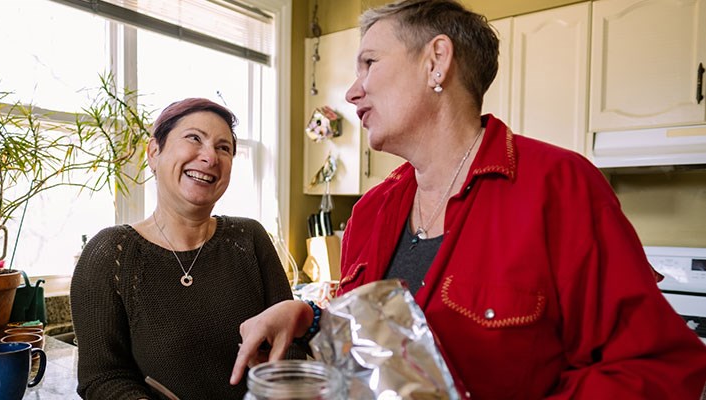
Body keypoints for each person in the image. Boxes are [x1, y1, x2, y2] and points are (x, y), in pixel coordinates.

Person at [231, 0, 706, 398]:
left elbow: (660, 368)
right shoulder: (369, 213)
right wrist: (311, 316)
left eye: (370, 63)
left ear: (436, 60)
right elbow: (384, 350)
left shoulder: (560, 186)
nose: (353, 91)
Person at [71, 98, 301, 399]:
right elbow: (102, 378)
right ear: (154, 152)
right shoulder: (110, 254)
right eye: (194, 138)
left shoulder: (250, 238)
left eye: (224, 148)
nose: (210, 157)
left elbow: (292, 342)